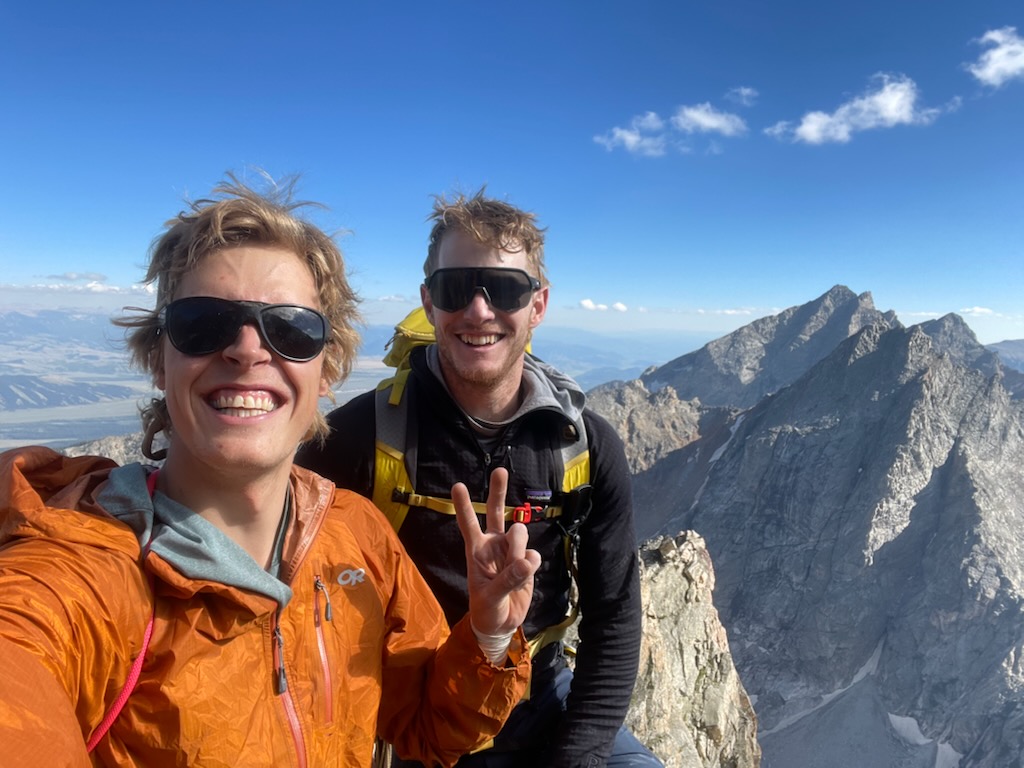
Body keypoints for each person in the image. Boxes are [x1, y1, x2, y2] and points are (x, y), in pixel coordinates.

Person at [0, 178, 542, 768]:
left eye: (291, 329)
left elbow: (426, 727)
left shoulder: (355, 534)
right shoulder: (80, 576)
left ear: (326, 369)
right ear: (158, 358)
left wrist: (488, 637)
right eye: (203, 323)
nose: (247, 349)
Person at [297, 190, 663, 767]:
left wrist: (577, 759)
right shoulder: (356, 439)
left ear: (538, 305)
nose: (478, 310)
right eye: (455, 288)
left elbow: (613, 616)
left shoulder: (585, 447)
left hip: (544, 706)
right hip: (418, 724)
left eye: (505, 289)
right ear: (429, 301)